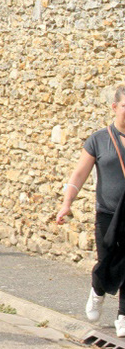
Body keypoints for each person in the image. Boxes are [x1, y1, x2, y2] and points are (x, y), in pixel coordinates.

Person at [57, 84, 125, 335]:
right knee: (106, 259)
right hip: (107, 213)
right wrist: (67, 204)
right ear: (114, 107)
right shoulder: (99, 139)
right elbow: (79, 173)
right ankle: (97, 290)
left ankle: (123, 315)